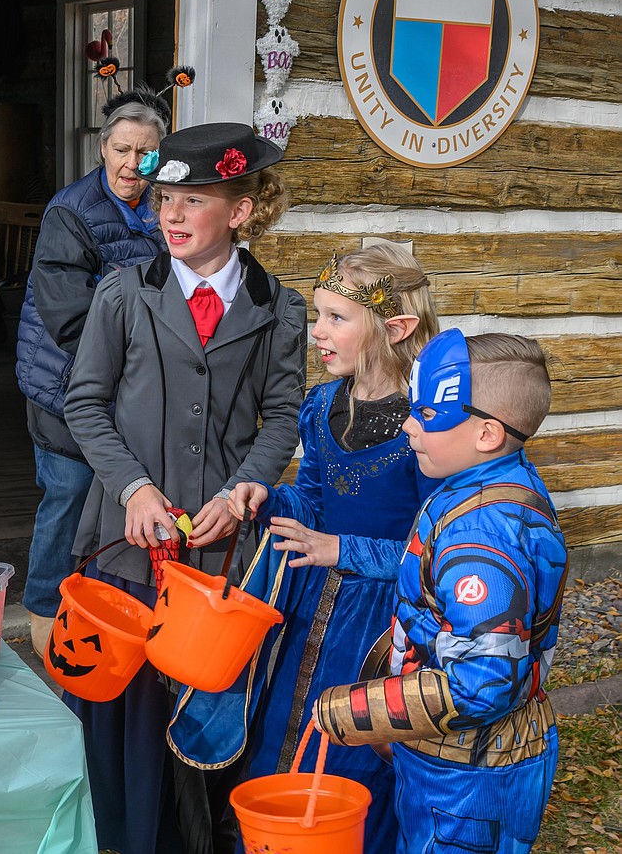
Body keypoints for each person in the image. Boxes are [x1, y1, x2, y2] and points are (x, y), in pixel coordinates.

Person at [61, 122, 307, 854]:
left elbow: (284, 413)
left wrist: (241, 493)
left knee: (206, 729)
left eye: (192, 200)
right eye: (165, 197)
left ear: (239, 211)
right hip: (130, 558)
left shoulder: (279, 308)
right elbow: (83, 402)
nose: (170, 214)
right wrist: (133, 489)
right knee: (126, 730)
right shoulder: (123, 294)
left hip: (216, 567)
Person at [169, 241, 442, 853]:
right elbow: (314, 501)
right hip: (309, 609)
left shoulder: (425, 429)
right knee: (283, 730)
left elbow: (438, 552)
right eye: (317, 315)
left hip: (381, 629)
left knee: (353, 751)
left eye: (336, 319)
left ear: (395, 328)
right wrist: (266, 498)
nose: (317, 332)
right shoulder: (320, 407)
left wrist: (341, 549)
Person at [314, 330, 567, 854]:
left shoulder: (481, 534)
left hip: (467, 780)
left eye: (427, 415)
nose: (408, 424)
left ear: (487, 434)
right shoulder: (481, 483)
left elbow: (480, 684)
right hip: (459, 760)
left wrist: (355, 711)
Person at [15, 85, 169, 652]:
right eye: (123, 150)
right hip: (65, 382)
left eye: (146, 153)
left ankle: (108, 606)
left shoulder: (166, 208)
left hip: (134, 386)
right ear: (103, 149)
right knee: (71, 490)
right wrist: (140, 365)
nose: (133, 165)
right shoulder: (71, 212)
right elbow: (67, 317)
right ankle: (43, 610)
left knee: (126, 495)